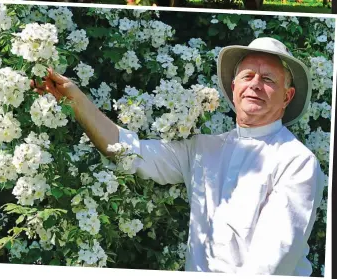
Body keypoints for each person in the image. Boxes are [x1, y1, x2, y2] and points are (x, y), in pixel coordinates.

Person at [33, 37, 324, 276]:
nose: (255, 84)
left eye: (269, 79)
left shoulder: (296, 161)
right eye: (247, 76)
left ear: (287, 97)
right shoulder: (202, 148)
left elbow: (272, 261)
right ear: (234, 88)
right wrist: (75, 99)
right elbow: (127, 153)